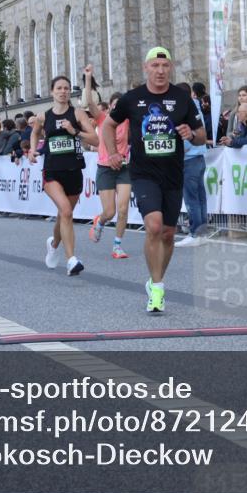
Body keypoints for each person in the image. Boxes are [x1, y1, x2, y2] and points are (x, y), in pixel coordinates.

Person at [101, 47, 205, 312]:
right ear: (146, 68)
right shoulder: (132, 98)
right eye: (155, 66)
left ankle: (155, 278)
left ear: (170, 68)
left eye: (165, 66)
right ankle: (157, 288)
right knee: (155, 226)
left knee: (169, 234)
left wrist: (190, 134)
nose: (160, 71)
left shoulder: (182, 98)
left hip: (173, 173)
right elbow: (108, 125)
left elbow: (202, 134)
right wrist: (113, 153)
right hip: (143, 173)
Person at [31, 76, 98, 276]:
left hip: (73, 171)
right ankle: (71, 260)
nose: (63, 91)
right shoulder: (43, 116)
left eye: (66, 88)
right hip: (52, 172)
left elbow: (95, 139)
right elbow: (34, 133)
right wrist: (32, 150)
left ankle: (54, 243)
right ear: (52, 92)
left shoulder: (77, 113)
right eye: (59, 88)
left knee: (64, 215)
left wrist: (75, 131)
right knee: (67, 212)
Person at [85, 65, 131, 259]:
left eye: (121, 105)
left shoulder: (128, 121)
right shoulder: (103, 118)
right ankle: (100, 221)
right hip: (105, 169)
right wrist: (88, 78)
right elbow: (89, 102)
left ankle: (117, 246)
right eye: (115, 104)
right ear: (111, 106)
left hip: (124, 168)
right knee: (110, 212)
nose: (118, 108)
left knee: (123, 208)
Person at [175, 82, 209, 246]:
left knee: (192, 198)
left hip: (189, 158)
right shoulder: (196, 108)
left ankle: (195, 233)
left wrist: (184, 149)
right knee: (200, 197)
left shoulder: (184, 110)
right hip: (199, 156)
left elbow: (186, 134)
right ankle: (201, 233)